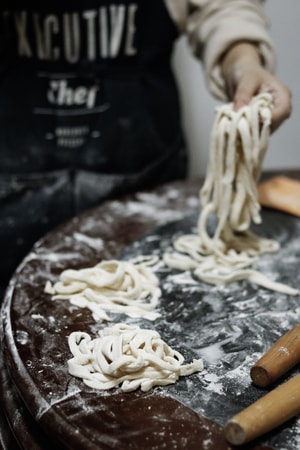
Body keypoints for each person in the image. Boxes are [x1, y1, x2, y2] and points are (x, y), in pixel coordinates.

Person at [0, 1, 291, 298]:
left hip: (142, 173)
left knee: (162, 295)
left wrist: (242, 63)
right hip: (10, 190)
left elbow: (221, 6)